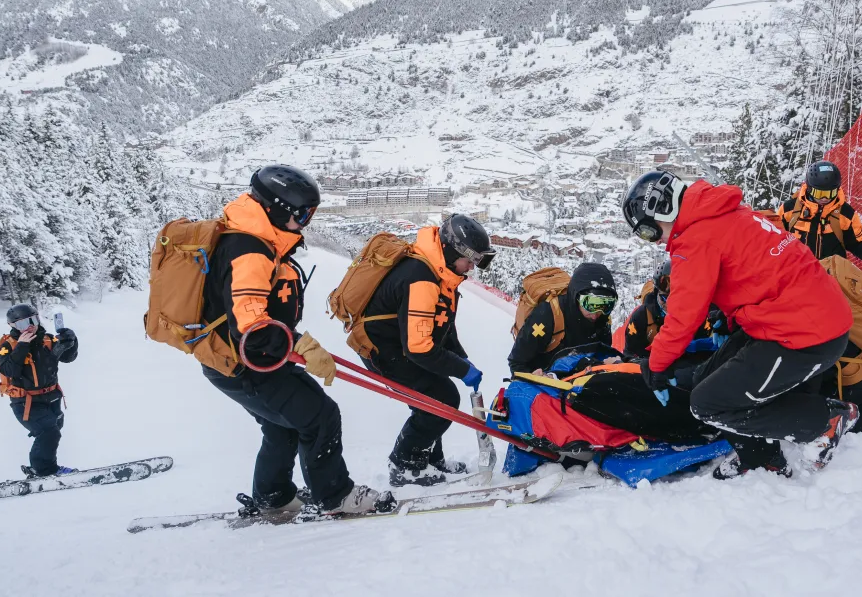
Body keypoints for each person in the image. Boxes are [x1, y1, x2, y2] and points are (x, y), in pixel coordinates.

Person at [622, 169, 858, 479]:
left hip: (806, 336)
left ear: (662, 212)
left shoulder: (694, 239)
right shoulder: (722, 212)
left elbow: (683, 315)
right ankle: (761, 455)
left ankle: (822, 423)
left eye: (648, 233)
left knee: (708, 404)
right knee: (709, 377)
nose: (654, 242)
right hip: (798, 319)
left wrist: (656, 365)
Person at [202, 164, 395, 516]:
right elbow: (252, 326)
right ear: (278, 209)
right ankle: (337, 497)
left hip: (249, 361)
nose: (307, 222)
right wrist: (301, 345)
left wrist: (293, 346)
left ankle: (272, 498)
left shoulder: (257, 240)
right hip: (245, 364)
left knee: (282, 426)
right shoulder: (249, 250)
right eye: (303, 215)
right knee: (320, 416)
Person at [360, 214, 495, 487]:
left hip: (401, 345)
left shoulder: (440, 272)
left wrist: (459, 356)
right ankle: (406, 466)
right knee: (441, 397)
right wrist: (460, 368)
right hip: (386, 351)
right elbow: (420, 347)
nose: (471, 267)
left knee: (433, 399)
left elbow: (442, 324)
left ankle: (430, 460)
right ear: (449, 251)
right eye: (469, 259)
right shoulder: (422, 278)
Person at [0, 304, 79, 477]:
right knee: (48, 432)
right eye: (23, 324)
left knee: (53, 430)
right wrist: (23, 346)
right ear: (12, 326)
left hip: (51, 397)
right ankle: (44, 470)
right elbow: (9, 371)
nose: (30, 326)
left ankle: (43, 467)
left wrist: (72, 341)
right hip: (26, 402)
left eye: (33, 320)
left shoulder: (47, 339)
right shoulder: (8, 345)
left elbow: (68, 357)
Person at [508, 262, 617, 375]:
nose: (595, 314)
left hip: (575, 379)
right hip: (544, 379)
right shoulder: (548, 315)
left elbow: (602, 353)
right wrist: (532, 379)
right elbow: (517, 361)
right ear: (576, 297)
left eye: (606, 305)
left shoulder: (602, 319)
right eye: (590, 304)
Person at [778, 161, 862, 261]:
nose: (825, 198)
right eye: (819, 193)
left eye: (830, 193)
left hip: (830, 277)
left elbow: (857, 245)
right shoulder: (790, 209)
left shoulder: (846, 214)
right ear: (809, 188)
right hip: (796, 274)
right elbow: (774, 240)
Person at [623, 258, 727, 363]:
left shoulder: (701, 315)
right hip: (652, 370)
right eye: (666, 299)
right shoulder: (642, 317)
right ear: (657, 293)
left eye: (679, 300)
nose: (671, 305)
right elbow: (630, 355)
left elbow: (709, 353)